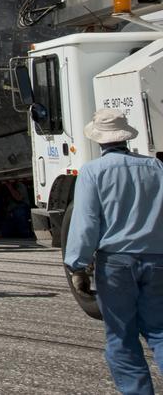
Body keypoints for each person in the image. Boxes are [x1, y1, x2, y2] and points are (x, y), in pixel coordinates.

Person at [65, 109, 163, 393]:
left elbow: (86, 222)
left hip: (116, 263)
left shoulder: (93, 171)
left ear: (98, 139)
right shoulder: (156, 168)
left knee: (122, 336)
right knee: (159, 330)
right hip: (158, 260)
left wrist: (78, 265)